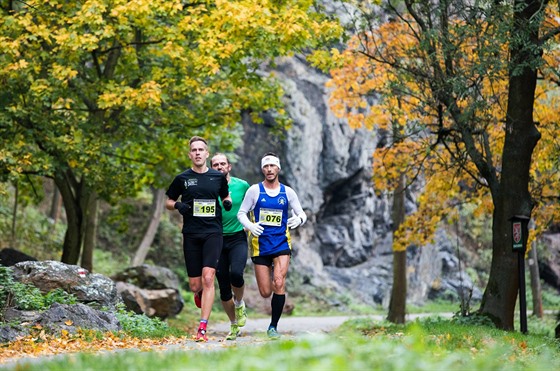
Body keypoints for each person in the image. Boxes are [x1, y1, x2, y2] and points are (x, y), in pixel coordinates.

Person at [165, 136, 232, 342]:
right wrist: (178, 206)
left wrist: (227, 202)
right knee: (196, 285)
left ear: (207, 153)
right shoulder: (182, 179)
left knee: (209, 278)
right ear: (189, 155)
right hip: (192, 234)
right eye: (194, 150)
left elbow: (225, 196)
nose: (197, 153)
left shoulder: (217, 177)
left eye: (201, 149)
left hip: (213, 232)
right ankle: (198, 294)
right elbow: (168, 200)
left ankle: (202, 327)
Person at [237, 152, 307, 339]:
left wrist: (298, 219)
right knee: (266, 291)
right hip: (260, 244)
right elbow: (241, 213)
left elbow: (302, 213)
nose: (269, 169)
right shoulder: (254, 191)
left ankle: (273, 327)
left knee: (279, 282)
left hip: (281, 243)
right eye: (266, 166)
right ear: (262, 169)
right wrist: (251, 226)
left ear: (278, 168)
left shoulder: (288, 192)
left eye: (272, 166)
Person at [211, 153, 251, 340]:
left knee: (236, 273)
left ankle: (240, 302)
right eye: (216, 164)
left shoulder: (242, 185)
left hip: (237, 237)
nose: (219, 167)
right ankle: (234, 325)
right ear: (211, 167)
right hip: (216, 240)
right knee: (224, 287)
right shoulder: (208, 186)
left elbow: (255, 204)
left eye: (222, 164)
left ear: (229, 166)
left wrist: (249, 223)